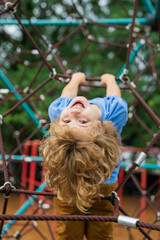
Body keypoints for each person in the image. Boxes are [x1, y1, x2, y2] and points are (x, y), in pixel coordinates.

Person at [41, 72, 128, 240]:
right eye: (82, 122)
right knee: (100, 229)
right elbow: (114, 96)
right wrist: (110, 80)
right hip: (100, 184)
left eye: (67, 122)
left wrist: (75, 79)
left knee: (68, 229)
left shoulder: (59, 113)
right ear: (99, 127)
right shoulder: (114, 113)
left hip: (69, 185)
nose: (73, 114)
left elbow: (66, 95)